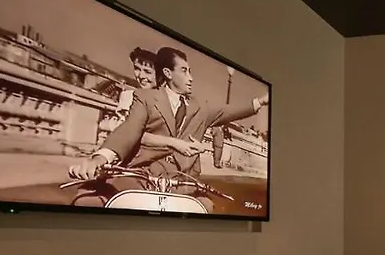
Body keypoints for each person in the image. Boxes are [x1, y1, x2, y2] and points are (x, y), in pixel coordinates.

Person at [69, 46, 268, 202]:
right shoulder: (145, 97)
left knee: (206, 207)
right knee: (89, 200)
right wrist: (98, 159)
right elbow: (129, 130)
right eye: (184, 71)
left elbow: (229, 111)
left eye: (190, 72)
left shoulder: (201, 107)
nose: (191, 78)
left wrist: (260, 101)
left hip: (183, 184)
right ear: (168, 73)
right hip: (141, 178)